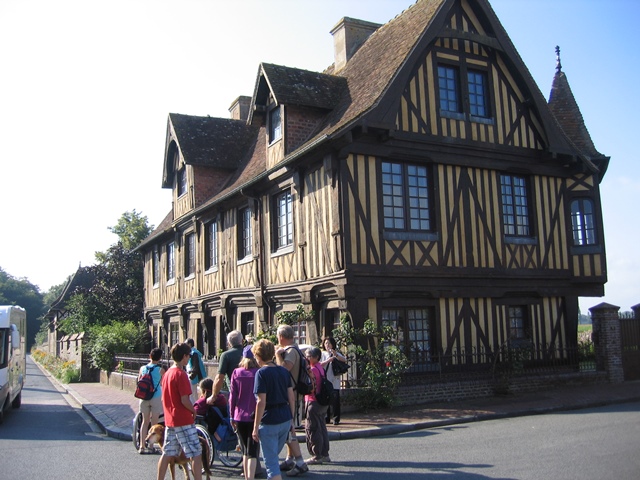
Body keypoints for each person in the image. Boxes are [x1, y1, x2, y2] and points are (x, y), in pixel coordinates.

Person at [157, 342, 203, 480]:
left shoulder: (167, 374)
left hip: (170, 418)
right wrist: (193, 410)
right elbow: (184, 399)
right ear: (184, 356)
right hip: (183, 418)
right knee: (195, 452)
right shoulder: (181, 374)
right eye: (188, 355)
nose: (189, 358)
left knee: (167, 452)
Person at [252, 339, 296, 480]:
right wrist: (292, 419)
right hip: (284, 417)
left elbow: (261, 402)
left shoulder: (261, 373)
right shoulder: (283, 372)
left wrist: (255, 426)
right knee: (273, 456)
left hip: (269, 419)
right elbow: (292, 397)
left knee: (271, 464)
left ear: (258, 356)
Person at [275, 324, 309, 476]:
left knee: (290, 428)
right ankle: (290, 458)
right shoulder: (296, 350)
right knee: (289, 428)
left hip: (292, 396)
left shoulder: (290, 352)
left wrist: (277, 355)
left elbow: (283, 370)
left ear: (281, 337)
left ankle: (300, 462)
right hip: (294, 394)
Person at [229, 347, 260, 480]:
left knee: (244, 449)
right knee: (253, 449)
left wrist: (231, 415)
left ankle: (247, 476)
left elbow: (232, 396)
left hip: (239, 414)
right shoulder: (259, 372)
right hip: (255, 414)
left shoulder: (236, 372)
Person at [303, 347, 330, 464]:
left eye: (308, 356)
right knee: (322, 427)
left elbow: (307, 385)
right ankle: (324, 453)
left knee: (312, 428)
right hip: (322, 401)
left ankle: (316, 454)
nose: (306, 358)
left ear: (316, 357)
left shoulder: (312, 370)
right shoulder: (320, 367)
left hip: (313, 401)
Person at [137, 347, 166, 453]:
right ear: (160, 358)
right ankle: (151, 446)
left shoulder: (142, 368)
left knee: (144, 422)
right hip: (156, 396)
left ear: (150, 356)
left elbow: (139, 380)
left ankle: (141, 446)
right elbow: (164, 384)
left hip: (144, 397)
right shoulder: (161, 370)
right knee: (154, 423)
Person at [208, 330, 244, 402]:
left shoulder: (226, 355)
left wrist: (214, 395)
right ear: (242, 341)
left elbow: (220, 377)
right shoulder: (250, 353)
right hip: (251, 391)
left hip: (235, 391)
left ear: (229, 343)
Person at [320, 336, 346, 425]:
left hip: (334, 380)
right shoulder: (322, 354)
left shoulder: (336, 353)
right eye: (326, 343)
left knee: (335, 400)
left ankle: (336, 418)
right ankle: (326, 417)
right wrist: (328, 360)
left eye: (329, 343)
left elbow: (344, 360)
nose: (328, 345)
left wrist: (335, 355)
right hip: (325, 379)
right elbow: (319, 364)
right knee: (326, 399)